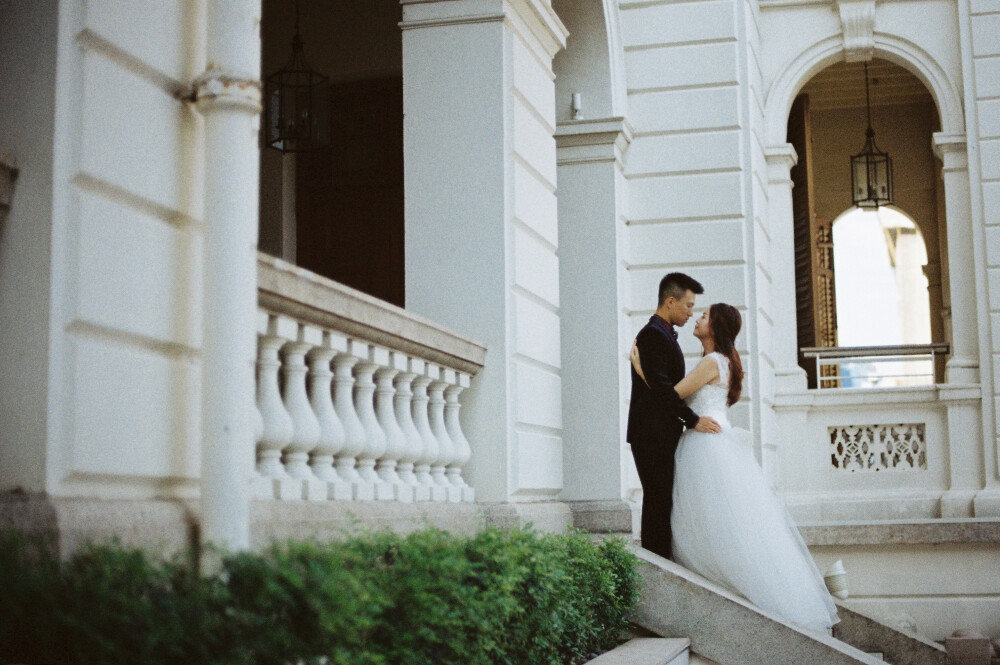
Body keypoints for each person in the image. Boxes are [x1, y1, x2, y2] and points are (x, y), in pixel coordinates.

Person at [631, 303, 839, 632]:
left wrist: (640, 367)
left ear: (715, 328)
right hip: (717, 441)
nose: (697, 318)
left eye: (704, 316)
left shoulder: (712, 362)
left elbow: (668, 396)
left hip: (705, 446)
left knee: (706, 520)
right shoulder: (723, 362)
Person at [626, 273, 721, 560]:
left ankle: (661, 563)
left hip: (660, 433)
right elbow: (663, 389)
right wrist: (693, 420)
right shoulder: (654, 334)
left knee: (662, 502)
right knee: (657, 502)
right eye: (689, 306)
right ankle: (657, 566)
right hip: (651, 434)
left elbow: (660, 387)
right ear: (670, 302)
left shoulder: (662, 333)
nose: (691, 313)